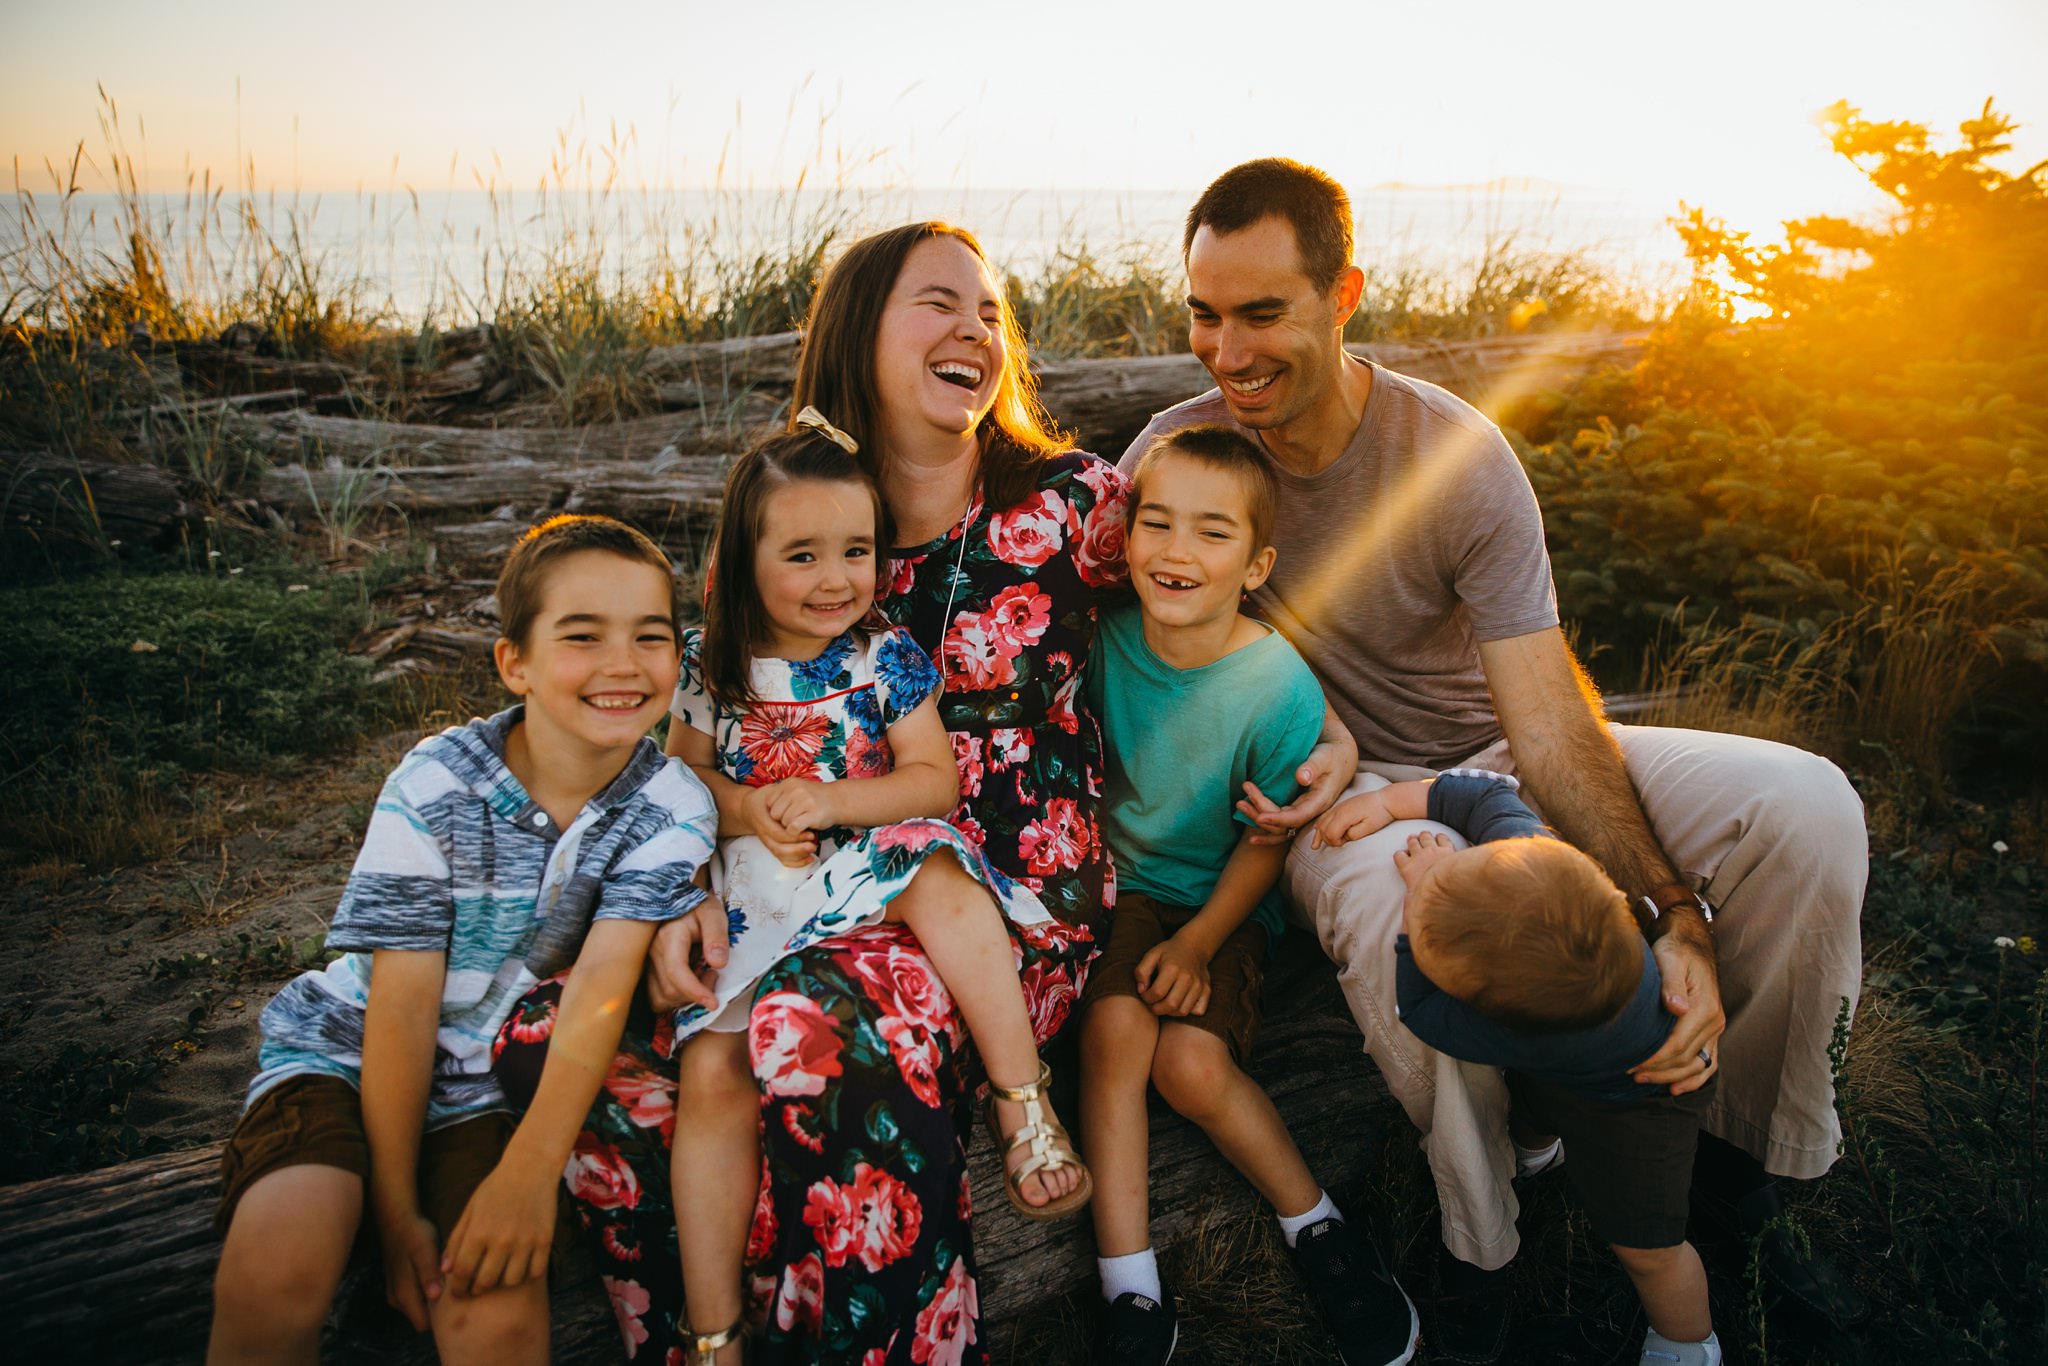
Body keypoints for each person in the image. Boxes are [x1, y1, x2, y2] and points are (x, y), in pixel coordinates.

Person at [1121, 158, 1868, 1360]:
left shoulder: (1451, 453)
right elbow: (1066, 622)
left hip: (1491, 750)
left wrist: (1670, 909)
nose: (1226, 348)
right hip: (1333, 789)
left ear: (1342, 294)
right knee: (1391, 918)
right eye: (1203, 311)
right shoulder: (1175, 455)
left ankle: (1742, 1177)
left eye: (1262, 313)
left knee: (1808, 806)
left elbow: (1543, 720)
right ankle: (1485, 1248)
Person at [206, 515, 717, 1366]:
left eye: (651, 638)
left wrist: (524, 1177)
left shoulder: (671, 806)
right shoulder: (438, 782)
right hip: (348, 1052)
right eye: (582, 637)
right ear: (513, 661)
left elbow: (600, 987)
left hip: (490, 1087)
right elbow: (402, 1003)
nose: (623, 665)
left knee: (497, 1317)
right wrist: (396, 1205)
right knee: (278, 1271)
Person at [661, 425, 1093, 1363]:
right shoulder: (708, 663)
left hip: (859, 866)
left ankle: (1024, 1102)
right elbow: (679, 786)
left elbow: (933, 779)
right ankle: (713, 1332)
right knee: (710, 1080)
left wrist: (830, 799)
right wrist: (741, 809)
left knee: (935, 863)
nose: (835, 578)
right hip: (753, 894)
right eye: (802, 554)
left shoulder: (881, 652)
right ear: (745, 559)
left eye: (856, 551)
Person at [1077, 424, 1420, 1366]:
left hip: (1227, 897)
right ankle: (1130, 1287)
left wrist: (1197, 949)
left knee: (1188, 1068)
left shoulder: (1277, 689)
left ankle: (1316, 1224)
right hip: (1126, 889)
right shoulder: (1102, 643)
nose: (1177, 553)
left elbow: (1266, 844)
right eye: (1157, 523)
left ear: (1258, 562)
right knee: (1114, 1038)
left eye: (1212, 533)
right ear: (1128, 533)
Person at [1324, 771, 1723, 1366]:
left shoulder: (1517, 1029)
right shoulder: (1540, 864)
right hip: (1587, 1068)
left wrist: (1419, 897)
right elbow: (1485, 795)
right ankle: (1537, 1156)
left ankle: (1687, 1344)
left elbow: (1421, 1009)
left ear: (1491, 1011)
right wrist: (1388, 801)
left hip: (1641, 1107)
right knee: (1536, 1106)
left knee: (1648, 1248)